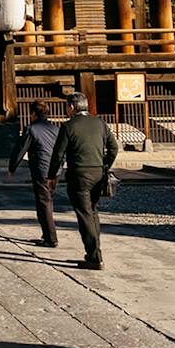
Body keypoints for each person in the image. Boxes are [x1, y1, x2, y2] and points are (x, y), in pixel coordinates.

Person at [45, 91, 118, 270]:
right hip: (98, 173)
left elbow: (58, 154)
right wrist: (104, 165)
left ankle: (94, 257)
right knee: (93, 212)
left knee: (84, 215)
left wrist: (52, 176)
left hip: (79, 174)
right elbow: (114, 147)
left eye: (67, 107)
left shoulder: (69, 126)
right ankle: (95, 253)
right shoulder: (100, 123)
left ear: (71, 107)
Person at [7, 100, 63, 247]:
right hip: (55, 170)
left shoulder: (31, 129)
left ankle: (51, 238)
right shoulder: (56, 129)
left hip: (41, 170)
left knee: (43, 203)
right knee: (48, 201)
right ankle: (47, 235)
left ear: (33, 114)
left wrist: (12, 167)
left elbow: (20, 149)